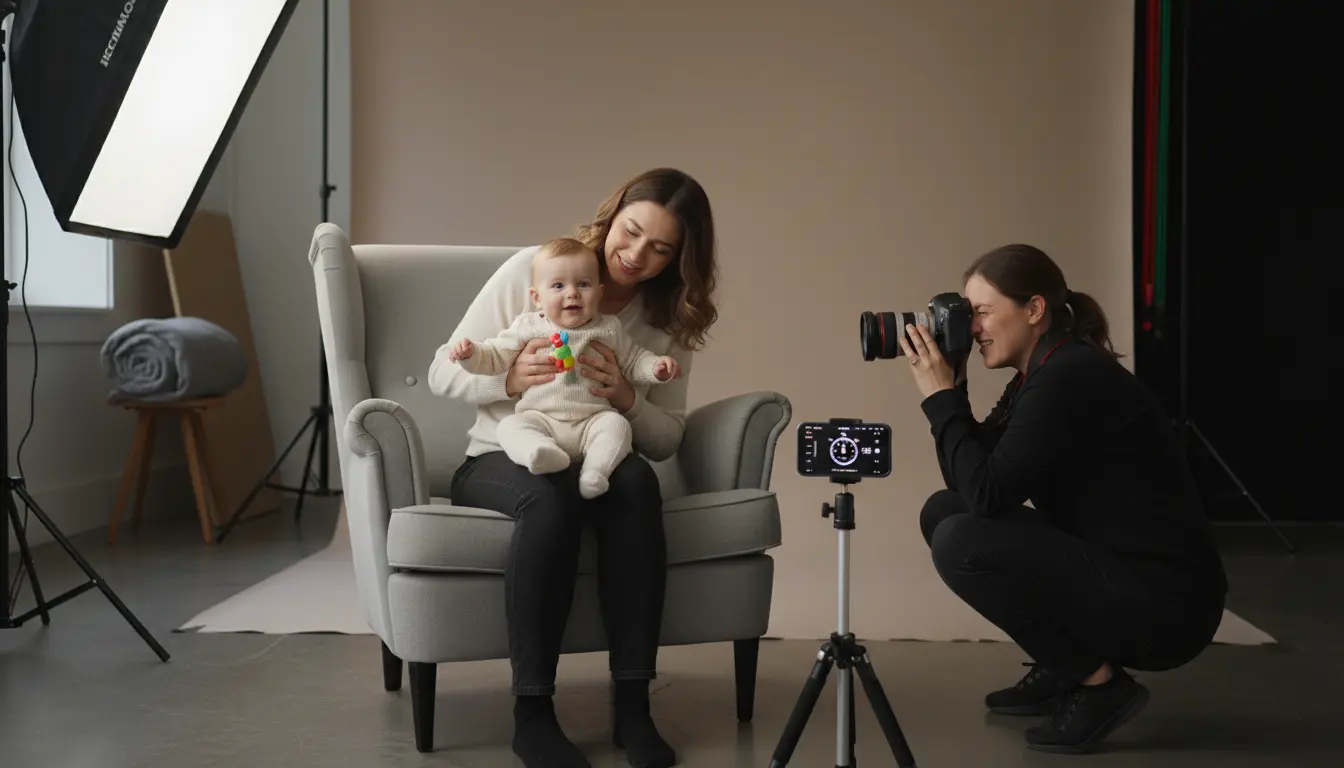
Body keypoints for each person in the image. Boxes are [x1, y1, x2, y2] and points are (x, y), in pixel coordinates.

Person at [428, 167, 718, 768]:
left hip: (596, 446)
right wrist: (508, 378)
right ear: (611, 218)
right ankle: (532, 713)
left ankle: (633, 706)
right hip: (502, 455)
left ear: (680, 261)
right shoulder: (537, 272)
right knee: (549, 494)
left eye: (661, 249)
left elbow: (664, 440)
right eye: (631, 232)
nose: (636, 255)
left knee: (636, 478)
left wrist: (626, 399)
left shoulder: (665, 320)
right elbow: (442, 371)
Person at [899, 244, 1228, 755]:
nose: (972, 328)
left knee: (960, 537)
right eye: (968, 314)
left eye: (981, 312)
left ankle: (1098, 684)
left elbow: (987, 495)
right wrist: (954, 387)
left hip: (1167, 607)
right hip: (1117, 574)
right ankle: (1064, 664)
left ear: (1034, 310)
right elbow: (969, 484)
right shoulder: (1043, 371)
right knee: (944, 511)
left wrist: (938, 400)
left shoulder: (1069, 375)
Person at [447, 236, 681, 499]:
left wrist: (656, 367)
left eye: (583, 284)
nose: (572, 293)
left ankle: (596, 473)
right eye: (558, 286)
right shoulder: (528, 327)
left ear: (599, 292)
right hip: (541, 420)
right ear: (537, 297)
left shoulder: (608, 328)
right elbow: (494, 357)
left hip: (591, 421)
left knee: (617, 426)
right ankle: (540, 453)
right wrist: (470, 355)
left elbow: (635, 359)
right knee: (510, 427)